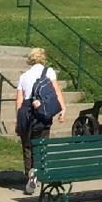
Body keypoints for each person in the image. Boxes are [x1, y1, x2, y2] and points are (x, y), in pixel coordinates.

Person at [14, 48, 64, 193]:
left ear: (31, 59)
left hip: (25, 110)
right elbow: (56, 91)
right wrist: (63, 108)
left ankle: (30, 173)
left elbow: (19, 100)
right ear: (43, 58)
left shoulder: (23, 76)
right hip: (42, 111)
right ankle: (36, 173)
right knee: (41, 143)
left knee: (27, 145)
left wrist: (19, 119)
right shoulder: (49, 72)